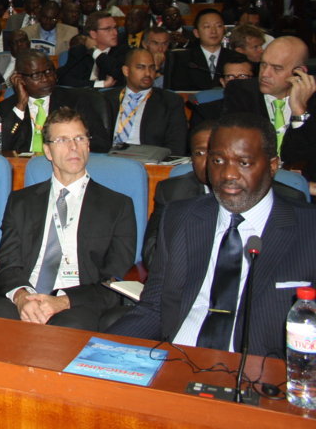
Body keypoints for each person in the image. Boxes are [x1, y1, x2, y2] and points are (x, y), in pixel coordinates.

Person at [110, 113, 316, 357]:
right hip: (177, 357)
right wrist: (101, 352)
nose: (228, 174)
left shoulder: (308, 229)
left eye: (244, 163)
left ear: (272, 166)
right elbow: (154, 307)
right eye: (218, 160)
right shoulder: (180, 217)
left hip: (261, 367)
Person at [0, 107, 135, 330]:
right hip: (26, 296)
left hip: (78, 304)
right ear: (48, 151)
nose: (73, 147)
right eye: (62, 140)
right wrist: (21, 297)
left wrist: (62, 301)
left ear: (88, 145)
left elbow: (113, 280)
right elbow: (8, 264)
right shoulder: (21, 202)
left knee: (63, 332)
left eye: (79, 138)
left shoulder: (117, 206)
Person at [140, 119, 306, 268]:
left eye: (242, 162)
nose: (209, 163)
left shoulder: (288, 199)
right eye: (200, 153)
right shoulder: (174, 194)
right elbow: (153, 258)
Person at [222, 36, 315, 170]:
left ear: (299, 72)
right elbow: (237, 147)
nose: (265, 74)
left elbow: (306, 157)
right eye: (263, 64)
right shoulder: (240, 92)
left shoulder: (313, 99)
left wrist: (299, 113)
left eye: (277, 68)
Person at [0, 52, 111, 153]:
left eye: (48, 71)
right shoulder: (6, 108)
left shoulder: (76, 101)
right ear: (20, 79)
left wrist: (66, 145)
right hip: (21, 167)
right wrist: (21, 105)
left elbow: (102, 143)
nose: (45, 79)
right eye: (36, 75)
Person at [105, 48, 188, 156]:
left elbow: (176, 145)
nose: (148, 73)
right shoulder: (105, 99)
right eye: (141, 67)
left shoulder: (170, 101)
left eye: (152, 68)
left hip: (148, 161)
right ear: (126, 71)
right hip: (108, 159)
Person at [168, 9, 238, 91]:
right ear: (196, 33)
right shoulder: (183, 59)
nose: (213, 31)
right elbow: (179, 90)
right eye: (207, 26)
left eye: (218, 26)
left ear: (224, 30)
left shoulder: (236, 58)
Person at [57, 11, 125, 89]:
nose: (115, 33)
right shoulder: (79, 51)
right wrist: (101, 84)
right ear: (93, 34)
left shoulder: (123, 50)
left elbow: (118, 74)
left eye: (115, 27)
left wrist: (94, 51)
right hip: (83, 95)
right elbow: (65, 80)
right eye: (108, 29)